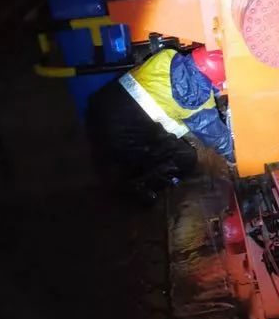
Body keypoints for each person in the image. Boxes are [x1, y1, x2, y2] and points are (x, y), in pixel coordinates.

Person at [86, 45, 233, 204]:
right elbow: (219, 139)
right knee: (184, 158)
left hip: (101, 106)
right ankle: (139, 188)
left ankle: (114, 166)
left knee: (117, 151)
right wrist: (234, 156)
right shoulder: (196, 98)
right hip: (124, 134)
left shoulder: (167, 56)